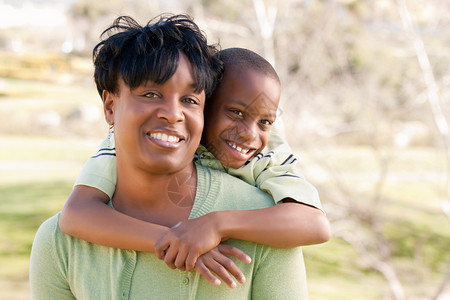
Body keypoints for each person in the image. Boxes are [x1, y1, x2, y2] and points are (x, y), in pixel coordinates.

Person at [30, 14, 312, 299]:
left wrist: (216, 225)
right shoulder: (59, 243)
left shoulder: (266, 223)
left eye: (190, 100)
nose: (173, 113)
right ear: (110, 107)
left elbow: (314, 222)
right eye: (151, 93)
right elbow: (76, 212)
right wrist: (168, 242)